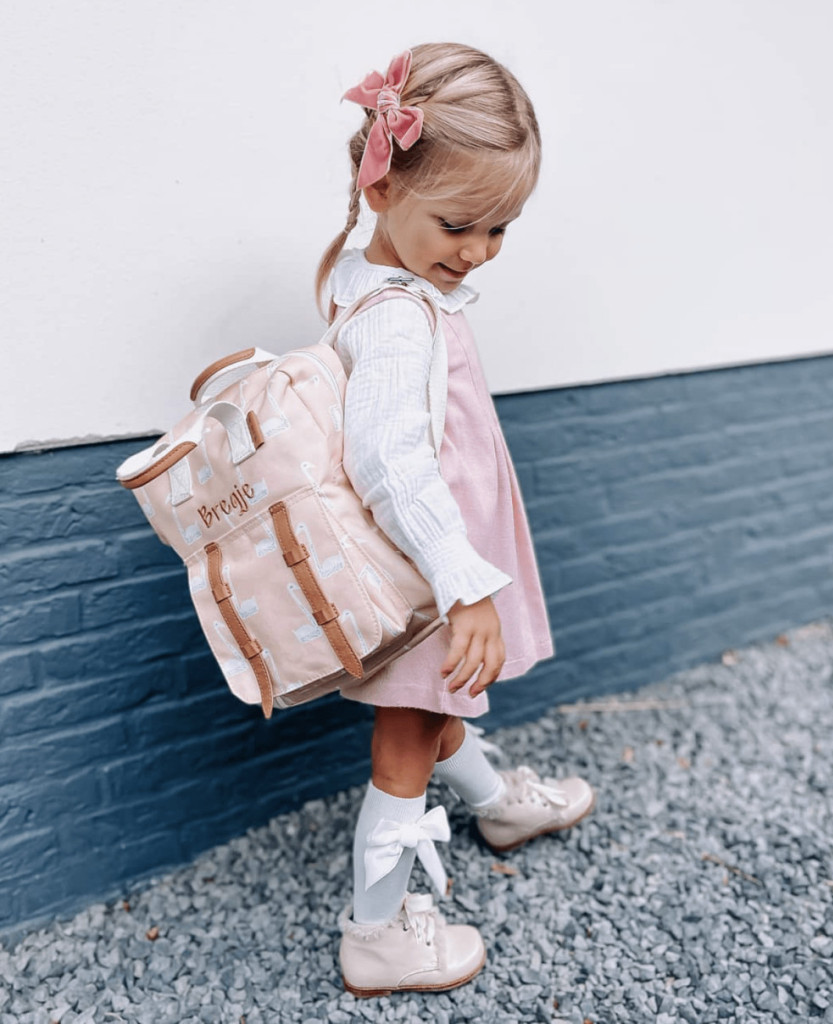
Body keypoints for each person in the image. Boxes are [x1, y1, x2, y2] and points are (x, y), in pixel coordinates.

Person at [316, 43, 596, 998]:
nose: (477, 251)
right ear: (383, 186)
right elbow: (389, 462)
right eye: (459, 223)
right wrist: (463, 583)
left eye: (500, 227)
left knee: (439, 714)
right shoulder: (399, 316)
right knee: (406, 741)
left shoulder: (393, 285)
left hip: (437, 560)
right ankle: (377, 932)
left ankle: (497, 802)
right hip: (430, 568)